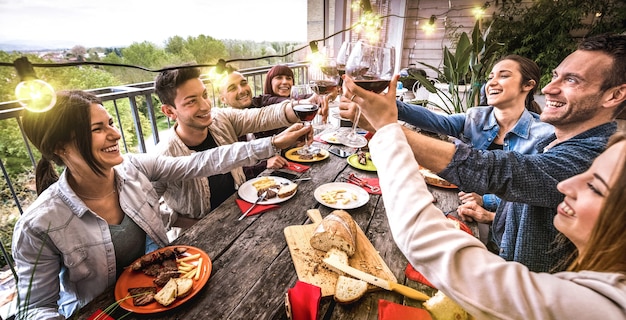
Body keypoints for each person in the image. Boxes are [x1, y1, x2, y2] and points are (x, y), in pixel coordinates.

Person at [340, 33, 626, 273]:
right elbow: (527, 195)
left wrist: (387, 128)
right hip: (499, 255)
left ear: (615, 95)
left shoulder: (598, 156)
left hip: (526, 296)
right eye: (555, 77)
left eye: (572, 80)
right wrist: (387, 109)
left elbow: (500, 172)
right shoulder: (538, 136)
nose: (550, 88)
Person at [11, 90, 310, 319]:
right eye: (97, 129)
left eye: (111, 123)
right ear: (60, 147)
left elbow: (199, 163)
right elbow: (33, 308)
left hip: (167, 292)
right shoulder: (39, 224)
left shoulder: (133, 167)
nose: (115, 134)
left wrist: (272, 144)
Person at [364, 92, 626, 318]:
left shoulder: (597, 306)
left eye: (595, 186)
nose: (565, 186)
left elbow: (434, 246)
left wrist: (388, 133)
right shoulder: (486, 119)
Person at [395, 55, 554, 250]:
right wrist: (393, 106)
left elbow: (534, 189)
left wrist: (485, 200)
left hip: (506, 230)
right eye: (490, 77)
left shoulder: (544, 135)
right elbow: (437, 121)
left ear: (528, 85)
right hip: (462, 208)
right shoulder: (475, 116)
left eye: (503, 76)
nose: (492, 83)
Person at [153, 67, 305, 230]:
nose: (205, 106)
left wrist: (302, 107)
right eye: (191, 101)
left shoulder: (221, 119)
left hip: (242, 217)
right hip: (197, 237)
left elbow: (262, 116)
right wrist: (191, 224)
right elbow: (144, 209)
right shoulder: (162, 155)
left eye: (204, 95)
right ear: (169, 111)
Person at [221, 68, 294, 178]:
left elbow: (281, 103)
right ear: (223, 99)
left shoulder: (261, 102)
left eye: (244, 83)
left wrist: (311, 101)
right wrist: (264, 165)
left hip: (278, 175)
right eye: (232, 88)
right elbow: (230, 169)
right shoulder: (221, 126)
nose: (241, 90)